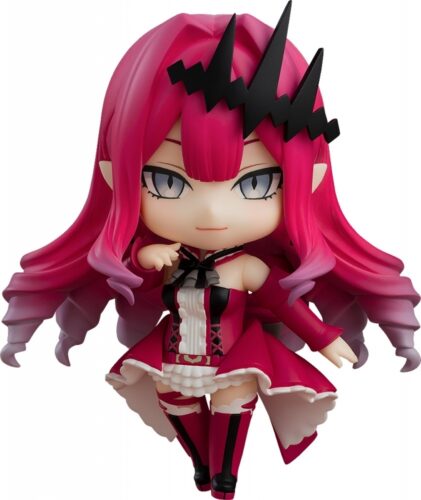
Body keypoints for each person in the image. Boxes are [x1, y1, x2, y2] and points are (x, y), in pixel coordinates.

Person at [2, 3, 419, 499]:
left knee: (231, 398)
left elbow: (285, 303)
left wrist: (324, 337)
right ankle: (201, 463)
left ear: (310, 180)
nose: (212, 212)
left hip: (234, 355)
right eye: (167, 180)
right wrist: (142, 259)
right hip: (176, 354)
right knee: (171, 398)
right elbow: (138, 277)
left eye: (256, 182)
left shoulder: (246, 268)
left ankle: (225, 474)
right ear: (117, 174)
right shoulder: (170, 256)